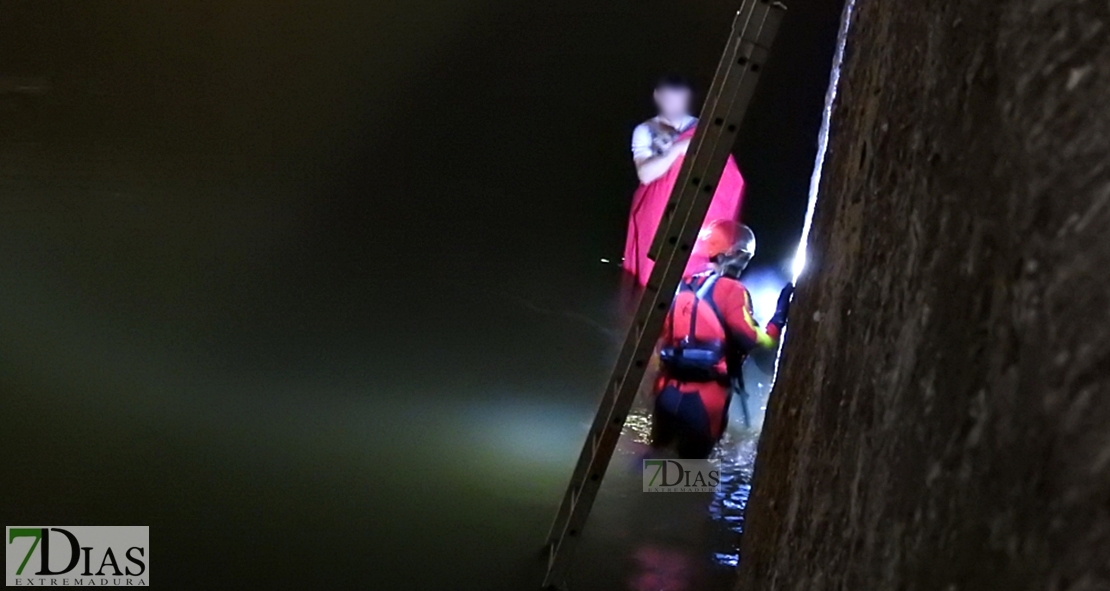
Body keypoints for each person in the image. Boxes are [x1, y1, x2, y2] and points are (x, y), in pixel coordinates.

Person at [651, 220, 792, 459]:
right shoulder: (732, 291)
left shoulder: (681, 286)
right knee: (689, 477)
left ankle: (646, 492)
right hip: (704, 398)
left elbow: (661, 335)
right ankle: (686, 496)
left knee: (654, 465)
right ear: (736, 255)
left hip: (666, 390)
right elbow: (753, 339)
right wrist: (778, 320)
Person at [622, 75, 746, 286]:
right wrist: (679, 149)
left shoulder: (703, 128)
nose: (673, 100)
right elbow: (645, 174)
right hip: (658, 212)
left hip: (695, 205)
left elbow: (726, 174)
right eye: (667, 95)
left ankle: (704, 261)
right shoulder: (646, 130)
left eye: (678, 95)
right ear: (657, 96)